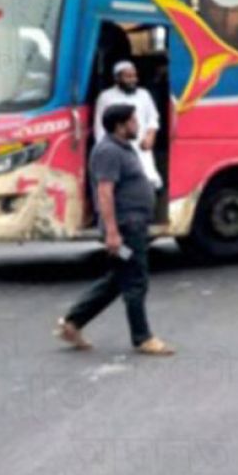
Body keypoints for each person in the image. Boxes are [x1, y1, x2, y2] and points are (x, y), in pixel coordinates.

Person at [54, 104, 174, 356]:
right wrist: (112, 232)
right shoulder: (108, 151)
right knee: (136, 279)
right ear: (120, 126)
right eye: (133, 121)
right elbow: (104, 192)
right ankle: (143, 338)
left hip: (132, 225)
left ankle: (73, 322)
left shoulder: (122, 148)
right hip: (124, 228)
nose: (137, 125)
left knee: (120, 278)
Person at [93, 60, 163, 190]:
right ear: (117, 78)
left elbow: (153, 119)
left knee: (150, 185)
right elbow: (100, 130)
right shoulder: (106, 97)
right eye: (128, 76)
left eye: (134, 76)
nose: (133, 80)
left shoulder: (144, 95)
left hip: (142, 149)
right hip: (117, 151)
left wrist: (150, 136)